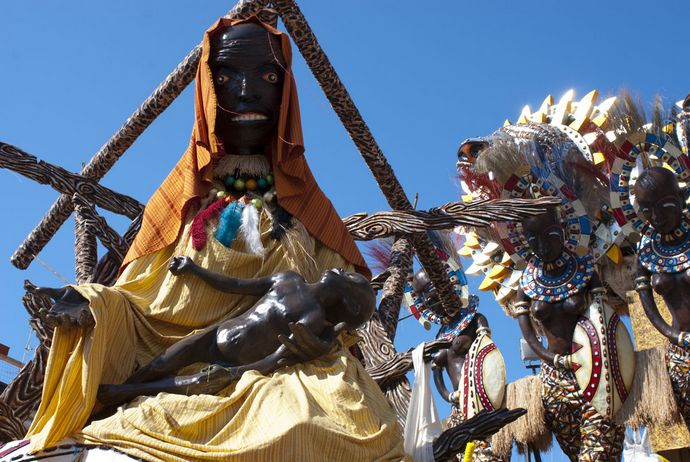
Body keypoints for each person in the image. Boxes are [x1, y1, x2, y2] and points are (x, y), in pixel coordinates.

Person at [25, 17, 405, 461]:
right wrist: (91, 301)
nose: (246, 91)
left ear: (286, 96)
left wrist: (318, 342)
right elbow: (140, 305)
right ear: (207, 92)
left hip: (295, 374)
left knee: (324, 427)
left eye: (265, 76)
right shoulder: (178, 205)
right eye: (225, 76)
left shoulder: (311, 213)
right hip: (196, 363)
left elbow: (342, 315)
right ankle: (129, 393)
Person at [97, 258, 375, 407]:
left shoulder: (312, 320)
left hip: (233, 362)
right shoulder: (289, 278)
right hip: (216, 334)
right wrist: (195, 269)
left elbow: (278, 356)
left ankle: (124, 392)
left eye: (353, 279)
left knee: (196, 381)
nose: (343, 270)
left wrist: (235, 374)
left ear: (350, 303)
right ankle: (120, 393)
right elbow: (237, 284)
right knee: (163, 362)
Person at [513, 209, 625, 461]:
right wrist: (553, 360)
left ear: (563, 230)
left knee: (600, 452)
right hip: (554, 383)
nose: (542, 245)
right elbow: (530, 335)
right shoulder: (527, 282)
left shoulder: (584, 269)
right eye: (533, 239)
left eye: (549, 234)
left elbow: (603, 317)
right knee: (577, 453)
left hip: (594, 372)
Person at [634, 166, 690, 428]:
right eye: (647, 211)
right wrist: (672, 335)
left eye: (664, 206)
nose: (655, 217)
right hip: (680, 353)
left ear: (680, 198)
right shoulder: (646, 249)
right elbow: (648, 304)